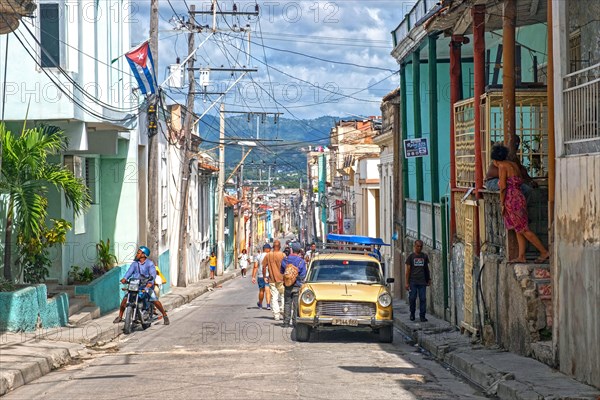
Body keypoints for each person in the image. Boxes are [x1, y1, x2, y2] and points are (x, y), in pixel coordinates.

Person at [491, 144, 549, 263]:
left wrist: (502, 204)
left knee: (523, 229)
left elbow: (502, 187)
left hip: (512, 199)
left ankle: (544, 251)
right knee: (518, 228)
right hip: (519, 195)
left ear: (495, 160)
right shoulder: (513, 164)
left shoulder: (502, 166)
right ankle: (521, 256)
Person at [113, 246, 170, 325]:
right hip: (135, 285)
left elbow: (153, 275)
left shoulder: (149, 264)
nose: (137, 254)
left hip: (146, 285)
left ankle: (164, 315)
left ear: (144, 254)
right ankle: (120, 316)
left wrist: (150, 282)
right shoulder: (134, 264)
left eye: (138, 253)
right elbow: (129, 272)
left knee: (154, 299)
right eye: (137, 253)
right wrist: (125, 278)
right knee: (125, 300)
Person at [280, 242, 307, 326]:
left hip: (288, 285)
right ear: (299, 251)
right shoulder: (301, 261)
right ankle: (295, 322)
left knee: (287, 303)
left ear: (291, 249)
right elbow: (303, 275)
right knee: (296, 304)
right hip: (297, 284)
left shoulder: (285, 259)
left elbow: (281, 271)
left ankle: (286, 322)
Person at [405, 240, 431, 322]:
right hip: (413, 282)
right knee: (412, 298)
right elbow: (408, 270)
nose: (419, 248)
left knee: (423, 299)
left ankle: (422, 316)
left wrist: (428, 279)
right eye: (417, 246)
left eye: (421, 246)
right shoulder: (411, 257)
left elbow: (426, 269)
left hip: (422, 282)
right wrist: (407, 282)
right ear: (414, 246)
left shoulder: (424, 256)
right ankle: (412, 313)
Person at [262, 239, 286, 320]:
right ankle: (283, 310)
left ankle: (276, 315)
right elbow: (286, 267)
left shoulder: (268, 255)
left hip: (272, 279)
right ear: (279, 247)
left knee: (274, 298)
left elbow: (263, 267)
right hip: (282, 279)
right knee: (283, 296)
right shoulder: (283, 255)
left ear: (273, 247)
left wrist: (265, 276)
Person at [252, 244, 272, 310]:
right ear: (267, 249)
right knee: (268, 290)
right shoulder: (270, 256)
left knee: (261, 291)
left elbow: (255, 266)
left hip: (260, 275)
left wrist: (253, 277)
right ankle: (268, 305)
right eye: (270, 249)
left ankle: (260, 304)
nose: (270, 250)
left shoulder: (258, 256)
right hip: (269, 276)